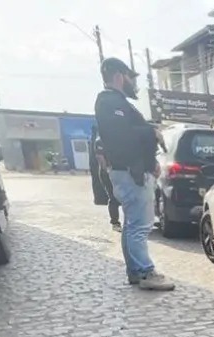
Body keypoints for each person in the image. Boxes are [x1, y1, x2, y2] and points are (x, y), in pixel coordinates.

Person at [94, 57, 174, 291]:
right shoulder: (110, 102)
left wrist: (150, 159)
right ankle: (145, 271)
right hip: (131, 174)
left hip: (133, 171)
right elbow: (122, 138)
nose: (133, 83)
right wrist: (151, 133)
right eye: (130, 77)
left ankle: (136, 271)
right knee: (139, 225)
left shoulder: (115, 102)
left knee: (132, 225)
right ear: (119, 76)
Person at [88, 126, 122, 232]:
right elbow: (100, 158)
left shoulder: (118, 139)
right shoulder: (100, 140)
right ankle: (115, 222)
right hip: (107, 172)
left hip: (120, 172)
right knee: (113, 197)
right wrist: (107, 169)